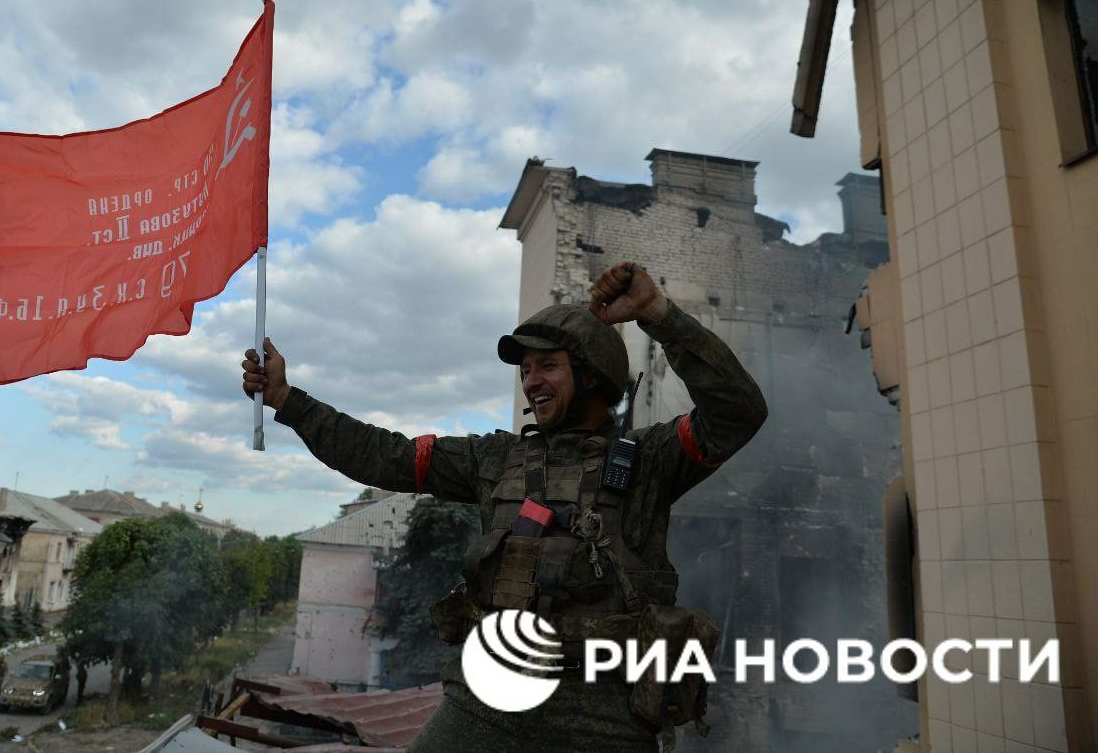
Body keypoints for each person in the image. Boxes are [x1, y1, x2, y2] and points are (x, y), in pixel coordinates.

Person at [242, 262, 767, 751]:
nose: (531, 381)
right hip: (488, 697)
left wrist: (658, 315)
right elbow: (386, 456)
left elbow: (738, 412)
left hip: (603, 712)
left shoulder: (649, 460)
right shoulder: (493, 459)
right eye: (525, 370)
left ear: (591, 375)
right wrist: (290, 401)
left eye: (547, 366)